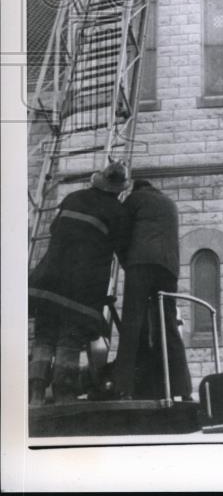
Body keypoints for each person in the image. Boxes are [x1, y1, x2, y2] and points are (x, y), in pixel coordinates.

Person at [28, 161, 130, 404]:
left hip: (47, 281)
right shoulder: (117, 212)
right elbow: (123, 249)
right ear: (119, 189)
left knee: (44, 337)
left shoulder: (73, 197)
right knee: (69, 341)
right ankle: (64, 395)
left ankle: (35, 395)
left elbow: (55, 229)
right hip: (80, 288)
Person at [111, 179, 191, 400]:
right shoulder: (169, 203)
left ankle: (123, 388)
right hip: (168, 269)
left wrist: (127, 262)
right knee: (169, 327)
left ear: (136, 188)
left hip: (141, 265)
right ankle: (183, 391)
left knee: (132, 325)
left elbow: (120, 235)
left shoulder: (134, 199)